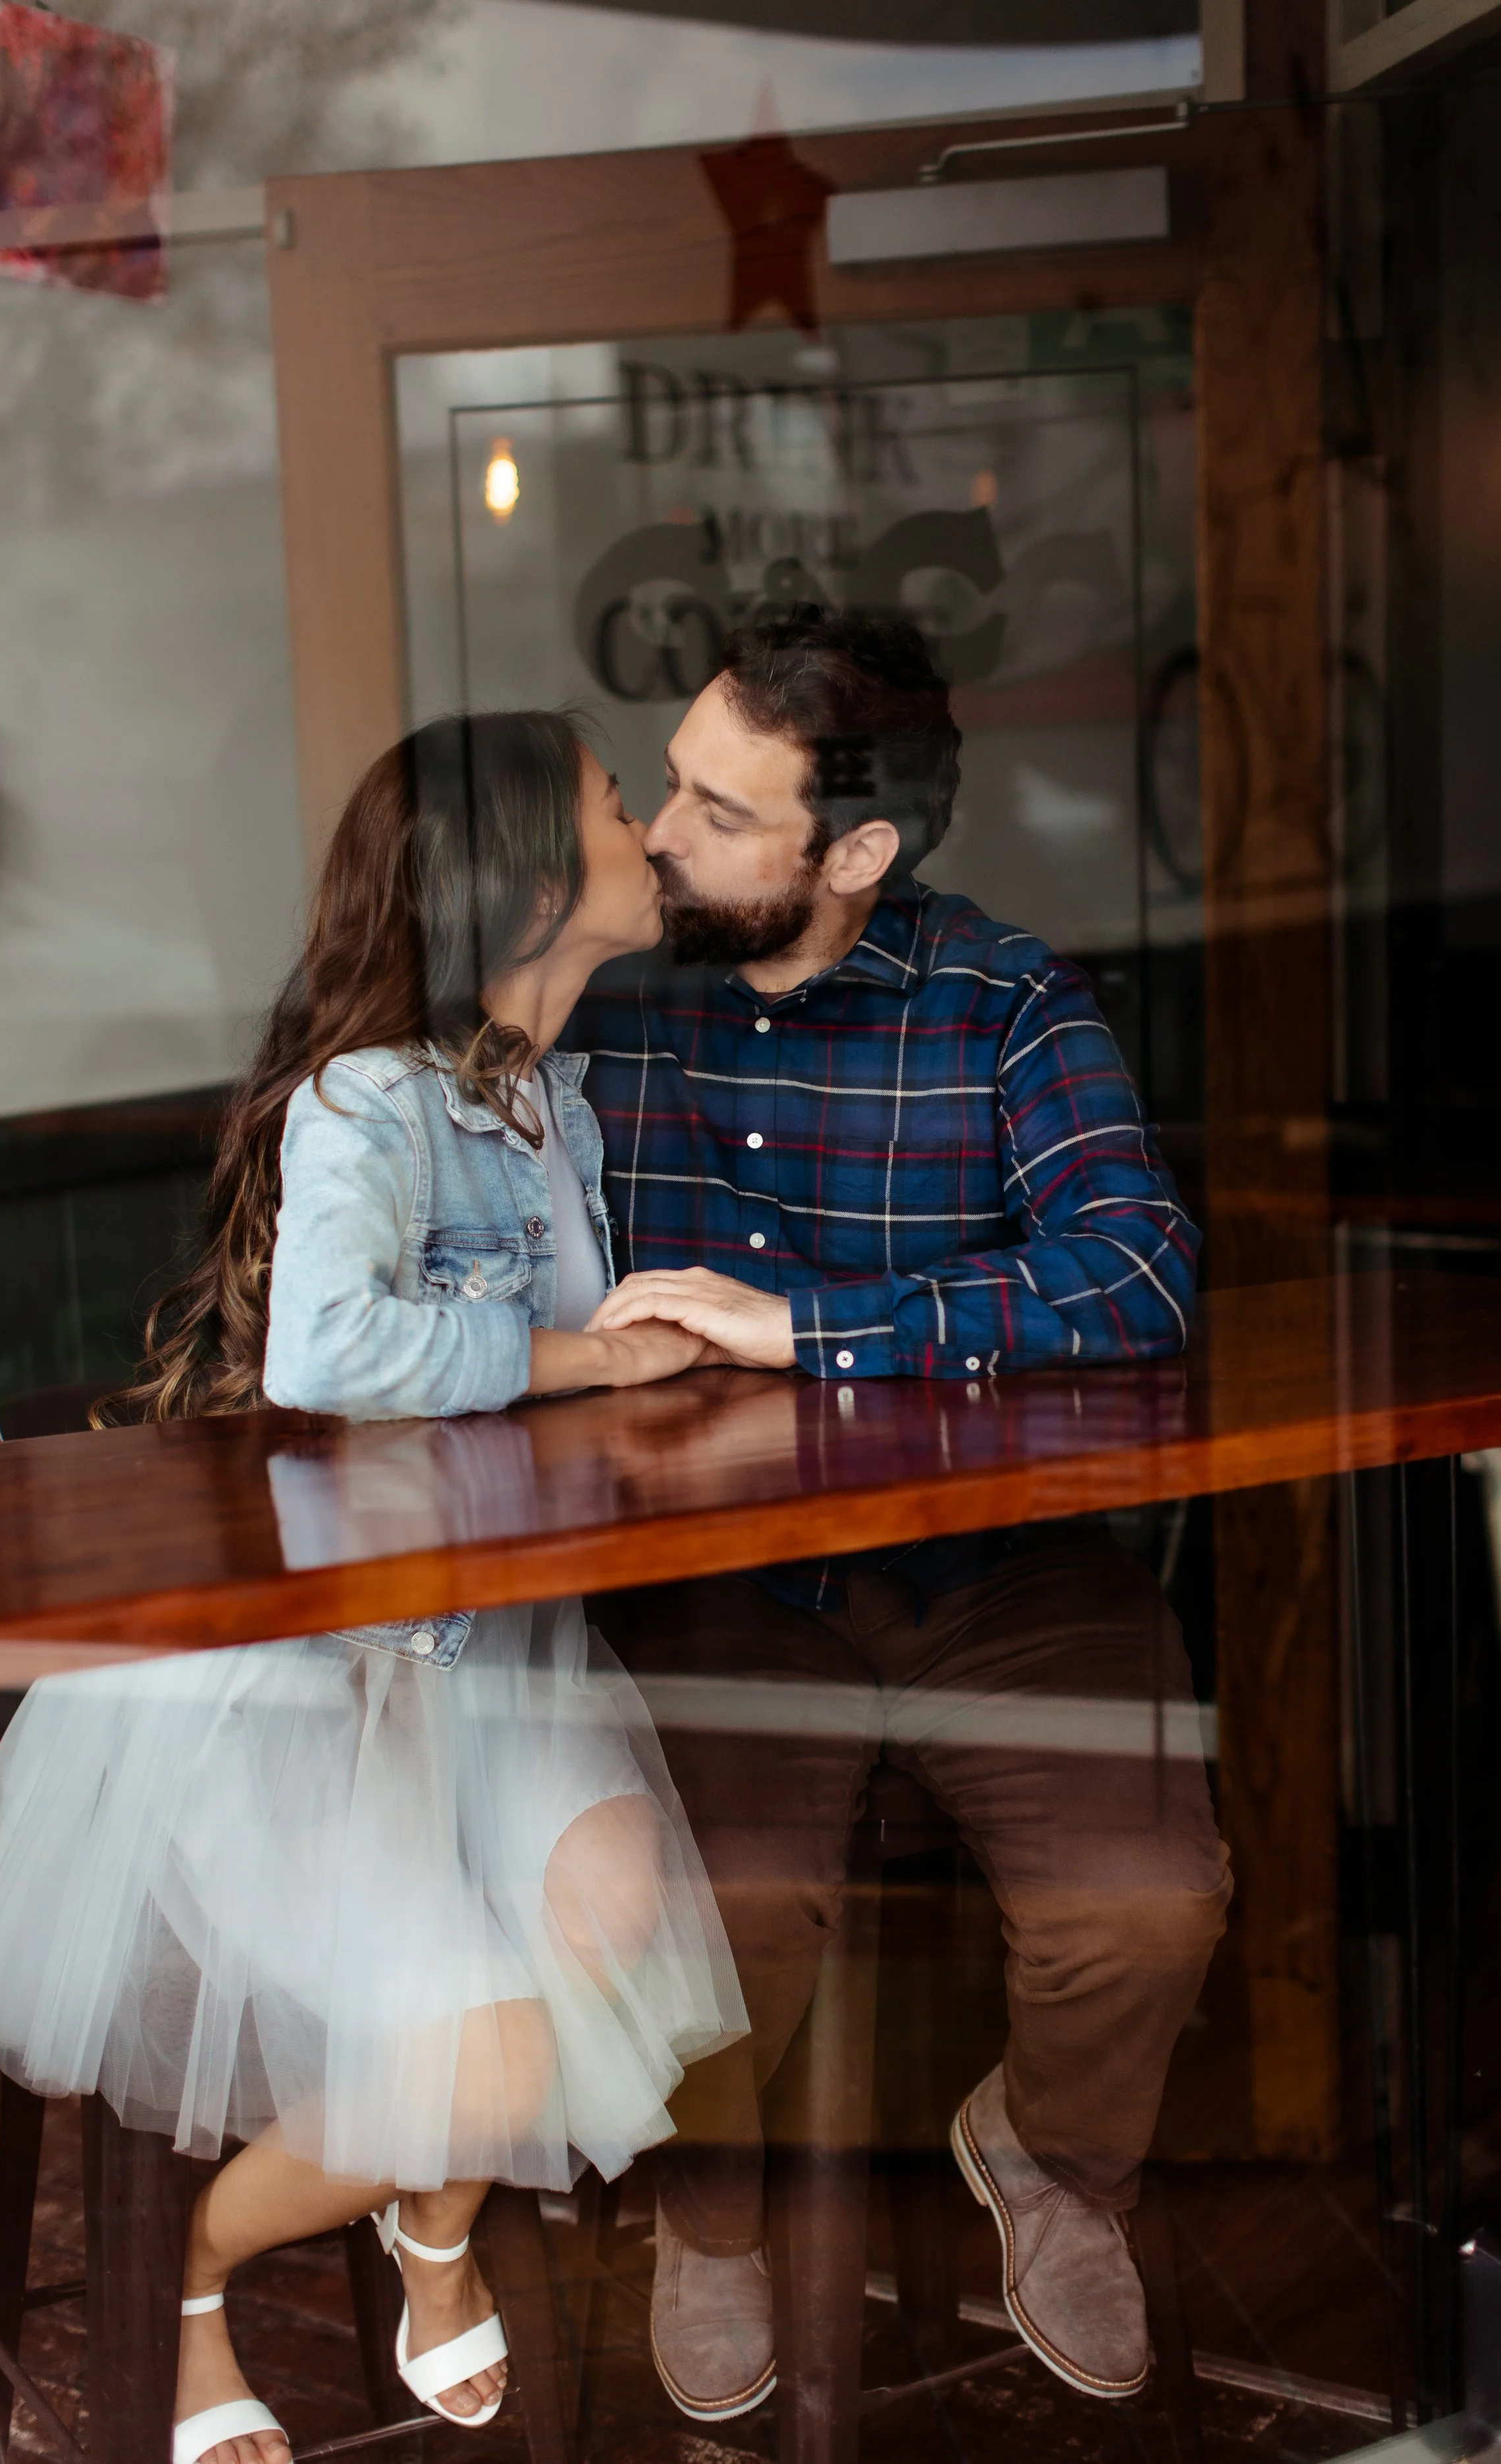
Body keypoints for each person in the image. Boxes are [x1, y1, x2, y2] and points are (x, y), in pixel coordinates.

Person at [0, 712, 747, 2464]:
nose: (647, 827)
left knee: (619, 1927)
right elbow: (330, 1340)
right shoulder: (371, 1094)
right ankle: (194, 2276)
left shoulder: (555, 1107)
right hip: (307, 1686)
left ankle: (423, 2223)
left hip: (499, 1658)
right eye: (617, 803)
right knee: (500, 2059)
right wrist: (582, 1364)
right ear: (531, 878)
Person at [570, 610, 1232, 2422]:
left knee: (1145, 1901)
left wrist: (807, 1329)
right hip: (709, 1580)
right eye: (673, 780)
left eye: (717, 809)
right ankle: (705, 2221)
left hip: (995, 1565)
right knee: (724, 1905)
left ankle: (1045, 2158)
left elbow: (1137, 1269)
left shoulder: (1000, 996)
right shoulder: (608, 988)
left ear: (854, 853)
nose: (658, 835)